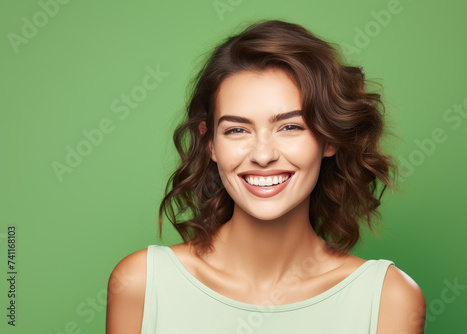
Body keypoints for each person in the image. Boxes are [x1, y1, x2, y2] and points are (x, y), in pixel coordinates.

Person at [106, 19, 426, 333]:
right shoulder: (141, 283)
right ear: (210, 143)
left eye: (290, 127)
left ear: (329, 138)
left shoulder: (388, 298)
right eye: (237, 129)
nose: (262, 155)